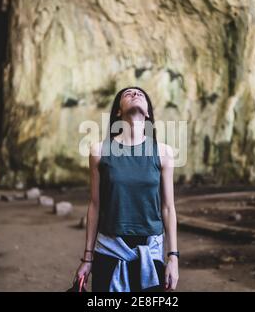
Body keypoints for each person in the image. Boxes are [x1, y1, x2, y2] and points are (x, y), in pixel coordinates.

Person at [74, 86, 179, 292]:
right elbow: (95, 205)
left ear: (148, 112)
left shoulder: (163, 152)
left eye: (140, 94)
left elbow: (168, 208)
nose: (135, 94)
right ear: (118, 112)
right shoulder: (99, 151)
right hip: (109, 250)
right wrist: (87, 258)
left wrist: (173, 258)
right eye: (127, 94)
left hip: (151, 251)